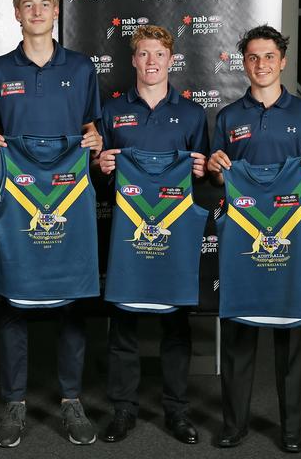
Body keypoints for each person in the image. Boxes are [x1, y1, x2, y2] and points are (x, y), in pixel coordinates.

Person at [0, 0, 103, 447]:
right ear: (16, 13)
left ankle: (71, 401)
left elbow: (91, 127)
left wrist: (94, 140)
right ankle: (15, 402)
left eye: (45, 4)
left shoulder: (82, 67)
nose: (36, 12)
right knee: (14, 299)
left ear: (57, 11)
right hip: (18, 199)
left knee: (71, 301)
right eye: (27, 5)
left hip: (68, 198)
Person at [207, 24, 301, 453]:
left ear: (283, 61)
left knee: (290, 338)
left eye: (269, 57)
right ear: (244, 63)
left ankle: (292, 430)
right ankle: (234, 424)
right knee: (240, 335)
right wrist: (215, 169)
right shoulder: (227, 117)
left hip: (291, 239)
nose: (261, 65)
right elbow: (215, 182)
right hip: (244, 238)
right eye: (253, 58)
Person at [97, 25, 208, 445]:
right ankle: (123, 409)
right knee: (123, 325)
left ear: (170, 59)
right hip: (128, 237)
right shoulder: (111, 112)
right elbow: (98, 179)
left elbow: (204, 181)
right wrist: (102, 167)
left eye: (159, 54)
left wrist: (202, 171)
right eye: (144, 54)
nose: (151, 62)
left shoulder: (193, 114)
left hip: (174, 238)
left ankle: (177, 411)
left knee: (176, 326)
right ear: (133, 60)